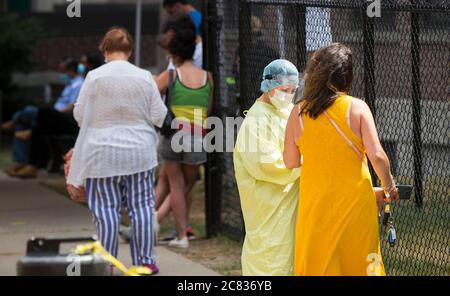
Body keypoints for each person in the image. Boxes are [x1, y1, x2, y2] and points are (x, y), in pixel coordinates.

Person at [283, 43, 399, 276]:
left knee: (318, 264)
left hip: (315, 206)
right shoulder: (357, 108)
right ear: (347, 76)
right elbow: (377, 155)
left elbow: (291, 161)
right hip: (355, 204)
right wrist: (388, 186)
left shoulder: (298, 113)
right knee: (361, 262)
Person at [67, 27, 168, 274]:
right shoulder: (145, 76)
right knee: (142, 206)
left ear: (104, 49)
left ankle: (108, 263)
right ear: (130, 50)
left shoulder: (94, 77)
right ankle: (145, 261)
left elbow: (79, 114)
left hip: (101, 153)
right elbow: (159, 116)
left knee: (105, 209)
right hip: (139, 152)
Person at [233, 59, 301, 275]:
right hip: (268, 209)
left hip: (288, 207)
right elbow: (268, 164)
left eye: (292, 90)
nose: (288, 95)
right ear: (268, 85)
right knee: (269, 263)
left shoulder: (288, 111)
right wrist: (304, 165)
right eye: (284, 90)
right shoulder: (255, 121)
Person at [155, 25, 213, 249]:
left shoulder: (170, 75)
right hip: (197, 136)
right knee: (188, 184)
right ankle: (170, 228)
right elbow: (208, 109)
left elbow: (151, 96)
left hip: (173, 135)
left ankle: (181, 237)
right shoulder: (208, 77)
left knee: (176, 186)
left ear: (175, 55)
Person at [2, 59, 84, 178]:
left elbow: (72, 106)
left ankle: (14, 122)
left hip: (67, 119)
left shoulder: (79, 84)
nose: (63, 75)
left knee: (41, 112)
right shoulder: (70, 84)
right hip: (56, 118)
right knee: (36, 127)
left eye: (64, 71)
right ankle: (26, 164)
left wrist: (55, 113)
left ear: (71, 70)